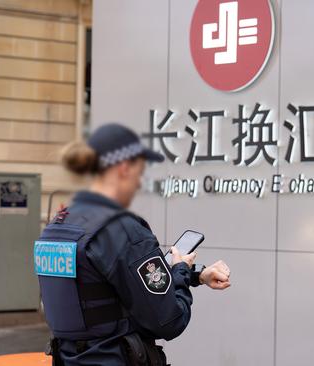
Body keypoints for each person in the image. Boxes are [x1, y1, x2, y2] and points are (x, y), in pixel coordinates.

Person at [34, 123, 231, 366]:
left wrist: (195, 274)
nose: (139, 184)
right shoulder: (122, 230)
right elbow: (169, 320)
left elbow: (105, 287)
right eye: (139, 173)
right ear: (123, 168)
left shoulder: (58, 225)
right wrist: (179, 271)